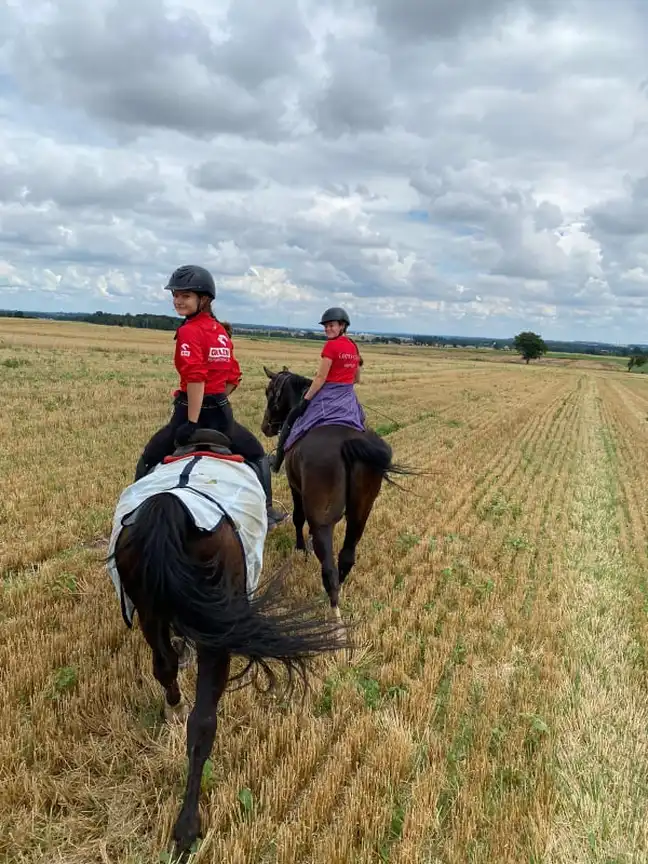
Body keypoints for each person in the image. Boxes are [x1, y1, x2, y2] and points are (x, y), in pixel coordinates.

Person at [134, 264, 288, 530]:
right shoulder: (220, 331)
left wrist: (192, 422)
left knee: (150, 455)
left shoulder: (188, 331)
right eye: (176, 295)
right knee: (257, 455)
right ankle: (267, 510)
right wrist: (218, 397)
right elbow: (233, 377)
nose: (178, 301)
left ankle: (136, 511)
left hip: (189, 412)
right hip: (222, 415)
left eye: (186, 296)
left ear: (203, 299)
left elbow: (195, 378)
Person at [270, 306, 365, 473]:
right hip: (347, 396)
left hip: (327, 395)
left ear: (342, 326)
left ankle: (277, 463)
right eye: (326, 326)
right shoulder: (353, 346)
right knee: (361, 419)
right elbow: (357, 378)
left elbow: (320, 379)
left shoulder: (331, 346)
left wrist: (306, 400)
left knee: (292, 420)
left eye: (331, 325)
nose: (328, 329)